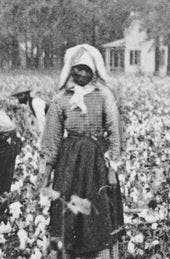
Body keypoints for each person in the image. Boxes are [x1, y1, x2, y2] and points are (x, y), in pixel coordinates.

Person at [39, 43, 124, 259]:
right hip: (69, 160)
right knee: (68, 206)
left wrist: (113, 167)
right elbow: (52, 136)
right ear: (71, 70)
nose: (82, 73)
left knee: (97, 207)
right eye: (78, 68)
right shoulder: (61, 99)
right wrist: (46, 171)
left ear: (94, 71)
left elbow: (114, 130)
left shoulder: (104, 95)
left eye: (87, 69)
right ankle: (69, 251)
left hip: (96, 158)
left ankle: (97, 252)